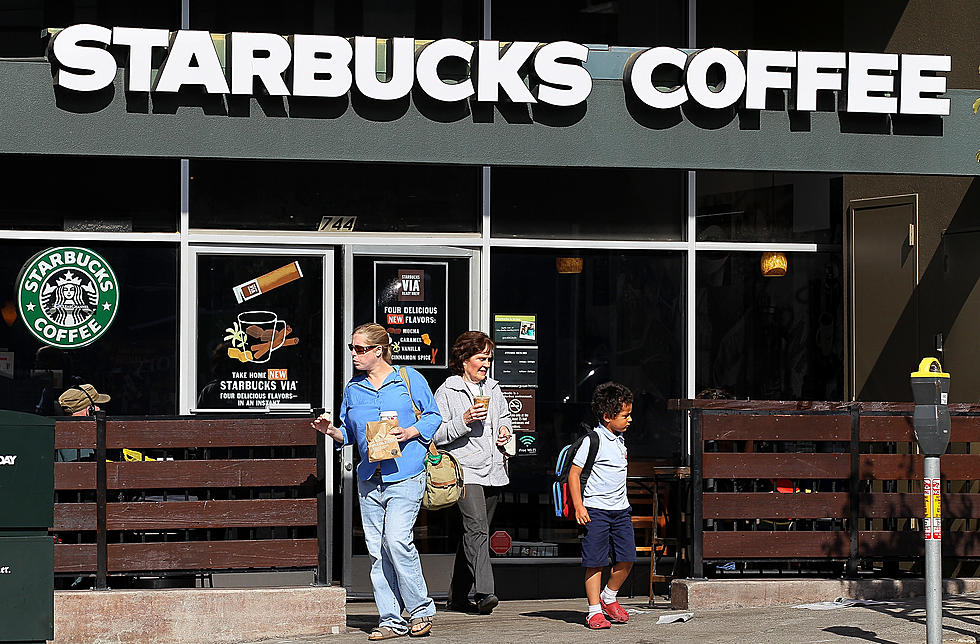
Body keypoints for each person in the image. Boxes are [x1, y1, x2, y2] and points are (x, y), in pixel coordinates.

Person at [312, 322, 441, 640]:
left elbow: (434, 415)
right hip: (370, 479)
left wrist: (410, 432)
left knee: (396, 541)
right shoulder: (352, 389)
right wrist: (330, 431)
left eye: (359, 349)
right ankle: (392, 620)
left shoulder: (408, 379)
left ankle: (421, 611)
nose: (353, 354)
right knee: (376, 551)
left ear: (378, 350)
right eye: (351, 348)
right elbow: (348, 434)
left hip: (406, 473)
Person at [433, 331, 512, 615]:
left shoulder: (494, 388)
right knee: (477, 528)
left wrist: (505, 431)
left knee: (474, 533)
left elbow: (504, 419)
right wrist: (464, 420)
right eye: (481, 358)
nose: (486, 364)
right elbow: (436, 434)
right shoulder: (447, 391)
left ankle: (457, 596)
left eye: (489, 358)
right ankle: (485, 591)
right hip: (464, 471)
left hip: (493, 470)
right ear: (464, 360)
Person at [568, 382, 636, 629]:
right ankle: (594, 610)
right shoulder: (592, 440)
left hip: (621, 511)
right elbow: (574, 474)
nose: (630, 419)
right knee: (595, 562)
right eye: (625, 415)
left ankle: (609, 597)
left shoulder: (620, 441)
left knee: (627, 558)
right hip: (595, 510)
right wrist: (579, 506)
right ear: (608, 417)